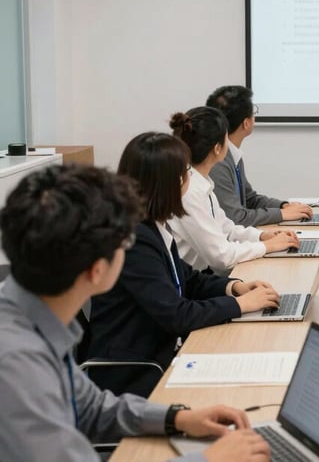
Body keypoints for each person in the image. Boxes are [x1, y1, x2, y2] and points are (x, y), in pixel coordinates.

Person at [0, 164, 270, 461]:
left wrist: (175, 418)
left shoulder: (33, 318)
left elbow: (90, 408)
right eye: (125, 241)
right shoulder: (16, 363)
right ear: (97, 270)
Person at [88, 133, 281, 397]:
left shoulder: (151, 225)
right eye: (186, 173)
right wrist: (241, 306)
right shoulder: (133, 240)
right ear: (175, 182)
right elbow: (176, 315)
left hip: (161, 353)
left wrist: (235, 288)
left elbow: (187, 278)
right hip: (138, 372)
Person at [169, 107, 299, 275]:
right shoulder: (190, 191)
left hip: (200, 277)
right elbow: (222, 256)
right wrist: (268, 246)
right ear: (217, 148)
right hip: (191, 283)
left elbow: (227, 229)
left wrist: (262, 236)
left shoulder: (201, 182)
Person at [206, 85, 314, 226]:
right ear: (246, 123)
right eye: (253, 113)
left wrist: (283, 206)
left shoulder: (232, 154)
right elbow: (236, 217)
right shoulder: (217, 161)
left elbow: (249, 199)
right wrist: (282, 214)